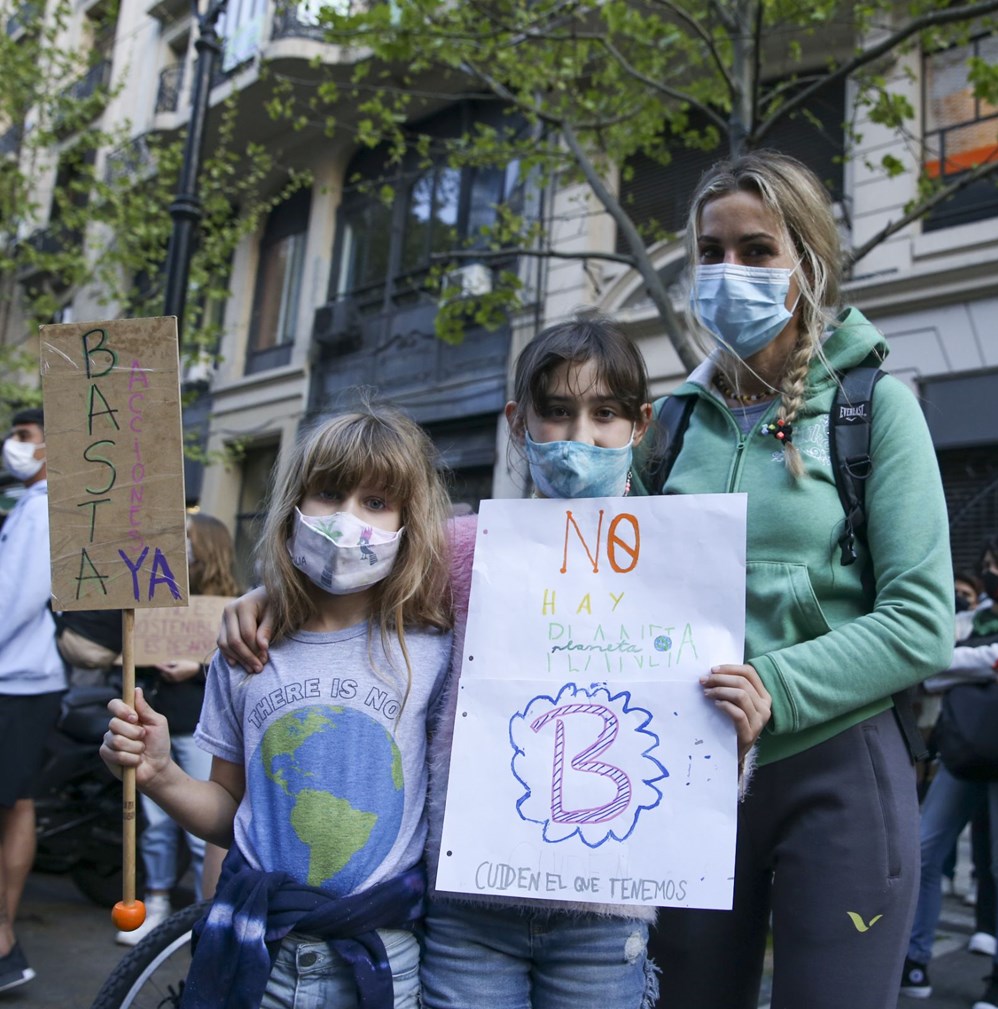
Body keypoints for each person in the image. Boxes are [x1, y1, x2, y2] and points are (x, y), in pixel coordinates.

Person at [217, 317, 773, 1009]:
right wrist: (268, 596)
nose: (579, 436)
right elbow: (353, 591)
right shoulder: (459, 550)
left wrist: (738, 737)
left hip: (606, 910)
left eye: (603, 414)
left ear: (641, 424)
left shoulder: (680, 564)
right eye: (557, 411)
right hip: (468, 907)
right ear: (519, 421)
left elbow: (694, 742)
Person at [643, 151, 954, 1009]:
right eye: (710, 251)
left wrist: (772, 686)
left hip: (839, 765)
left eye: (755, 250)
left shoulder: (874, 407)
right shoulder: (666, 425)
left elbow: (922, 620)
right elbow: (578, 570)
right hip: (688, 774)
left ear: (807, 263)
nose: (728, 271)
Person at [101, 406, 454, 1009]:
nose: (347, 520)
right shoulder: (245, 653)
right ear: (294, 503)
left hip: (387, 961)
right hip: (256, 957)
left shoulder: (436, 646)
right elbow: (229, 814)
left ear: (409, 521)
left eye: (377, 503)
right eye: (329, 492)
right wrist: (160, 774)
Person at [115, 512, 241, 945]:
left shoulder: (239, 606)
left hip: (201, 729)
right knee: (155, 822)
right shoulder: (159, 595)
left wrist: (200, 666)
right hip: (162, 720)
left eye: (186, 537)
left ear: (207, 544)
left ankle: (198, 915)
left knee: (204, 825)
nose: (179, 545)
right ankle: (157, 903)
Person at [901, 536, 998, 1008]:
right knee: (924, 848)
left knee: (997, 866)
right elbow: (932, 664)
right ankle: (915, 959)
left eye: (994, 564)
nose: (990, 573)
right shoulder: (971, 619)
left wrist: (967, 660)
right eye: (989, 565)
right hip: (964, 754)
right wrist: (985, 661)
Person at [0, 407, 67, 993]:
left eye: (24, 437)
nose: (12, 446)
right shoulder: (35, 509)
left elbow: (12, 600)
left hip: (16, 680)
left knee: (12, 804)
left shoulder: (40, 512)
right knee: (15, 803)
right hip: (27, 680)